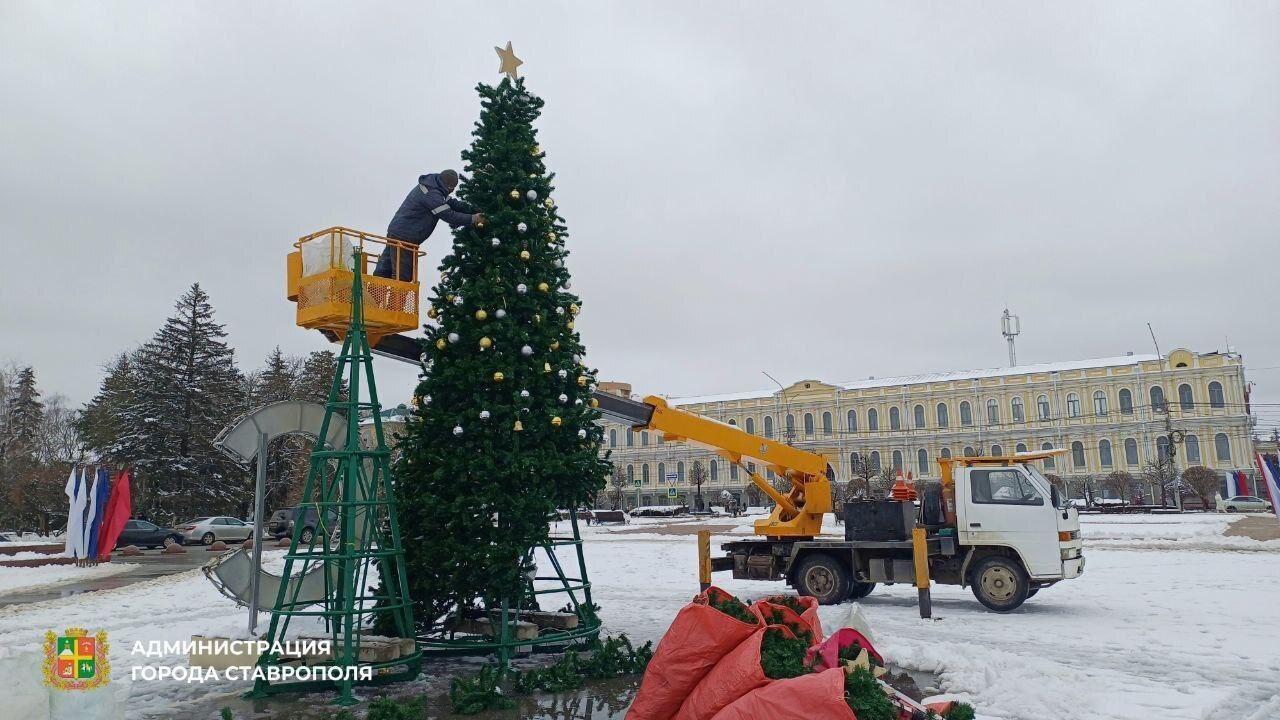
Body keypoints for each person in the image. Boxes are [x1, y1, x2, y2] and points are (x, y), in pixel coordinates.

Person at [373, 170, 484, 280]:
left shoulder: (434, 185)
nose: (452, 191)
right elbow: (449, 215)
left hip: (397, 232)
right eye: (451, 189)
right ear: (449, 187)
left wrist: (473, 209)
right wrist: (473, 218)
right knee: (402, 277)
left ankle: (373, 295)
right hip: (405, 238)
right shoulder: (432, 194)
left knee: (384, 270)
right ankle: (393, 298)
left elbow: (452, 203)